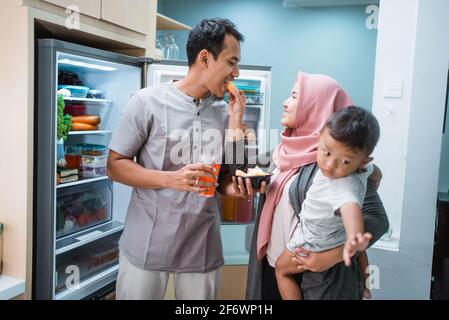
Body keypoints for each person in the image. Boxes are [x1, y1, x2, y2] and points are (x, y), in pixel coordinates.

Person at [107, 18, 247, 300]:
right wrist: (171, 179)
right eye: (231, 62)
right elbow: (115, 165)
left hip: (201, 243)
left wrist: (235, 125)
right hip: (148, 239)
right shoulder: (146, 102)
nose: (237, 73)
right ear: (205, 58)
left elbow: (227, 183)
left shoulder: (226, 113)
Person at [241, 71, 389, 300]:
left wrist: (331, 256)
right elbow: (241, 169)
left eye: (294, 97)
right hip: (273, 266)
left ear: (316, 106)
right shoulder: (281, 153)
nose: (285, 103)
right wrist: (235, 123)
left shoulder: (339, 168)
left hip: (314, 274)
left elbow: (377, 221)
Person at [275, 106, 381, 300]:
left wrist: (354, 235)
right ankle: (366, 288)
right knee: (360, 254)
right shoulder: (363, 168)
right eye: (326, 152)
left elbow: (351, 207)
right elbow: (375, 172)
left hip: (313, 241)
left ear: (362, 161)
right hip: (337, 235)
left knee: (282, 270)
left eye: (344, 162)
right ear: (319, 139)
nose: (330, 165)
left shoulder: (341, 185)